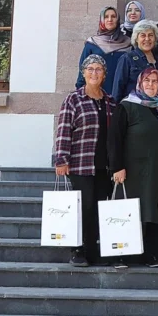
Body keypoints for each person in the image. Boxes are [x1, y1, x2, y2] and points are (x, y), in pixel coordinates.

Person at [108, 66, 158, 268]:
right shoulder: (127, 106)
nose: (151, 85)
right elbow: (115, 139)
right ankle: (121, 256)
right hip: (132, 171)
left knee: (154, 211)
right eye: (147, 80)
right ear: (139, 83)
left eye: (155, 81)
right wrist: (116, 167)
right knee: (130, 212)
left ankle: (152, 255)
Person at [54, 54, 116, 267]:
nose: (94, 73)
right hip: (80, 163)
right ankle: (77, 250)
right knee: (84, 207)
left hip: (103, 166)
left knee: (99, 207)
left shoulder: (110, 102)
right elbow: (63, 130)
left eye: (98, 69)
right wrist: (61, 159)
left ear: (104, 74)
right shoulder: (74, 99)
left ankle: (92, 250)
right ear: (83, 73)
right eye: (90, 69)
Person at [75, 7, 131, 95]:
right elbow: (83, 70)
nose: (110, 19)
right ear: (102, 20)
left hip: (122, 95)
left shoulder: (128, 43)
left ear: (118, 19)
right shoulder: (92, 43)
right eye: (106, 17)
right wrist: (81, 93)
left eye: (113, 16)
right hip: (96, 95)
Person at [111, 20, 158, 102]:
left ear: (155, 38)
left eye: (150, 35)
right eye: (143, 35)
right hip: (132, 109)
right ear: (136, 39)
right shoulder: (127, 59)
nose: (147, 39)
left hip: (156, 109)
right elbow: (117, 89)